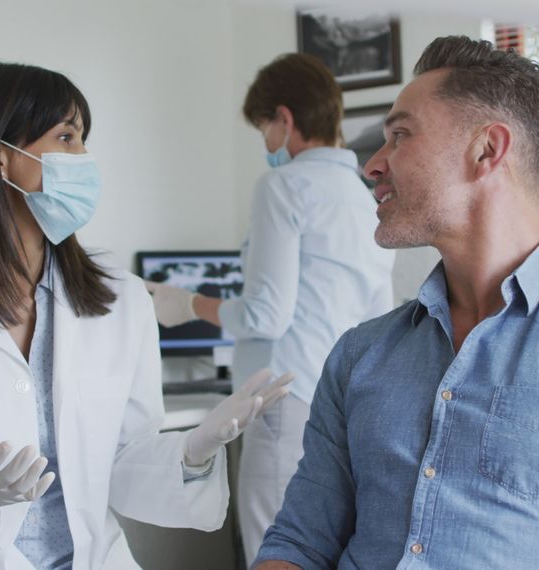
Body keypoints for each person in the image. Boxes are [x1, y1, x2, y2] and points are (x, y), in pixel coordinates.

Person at [0, 62, 292, 570]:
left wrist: (192, 451)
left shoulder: (119, 298)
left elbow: (117, 465)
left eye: (82, 139)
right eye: (67, 138)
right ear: (0, 158)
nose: (84, 159)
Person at [253, 36, 539, 569]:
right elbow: (299, 543)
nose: (373, 165)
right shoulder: (358, 355)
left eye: (400, 136)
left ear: (486, 151)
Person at [145, 53, 395, 563]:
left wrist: (187, 302)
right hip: (345, 404)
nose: (266, 144)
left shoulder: (282, 187)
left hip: (283, 401)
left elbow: (264, 315)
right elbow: (379, 317)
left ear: (284, 119)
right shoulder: (365, 196)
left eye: (263, 128)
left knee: (274, 549)